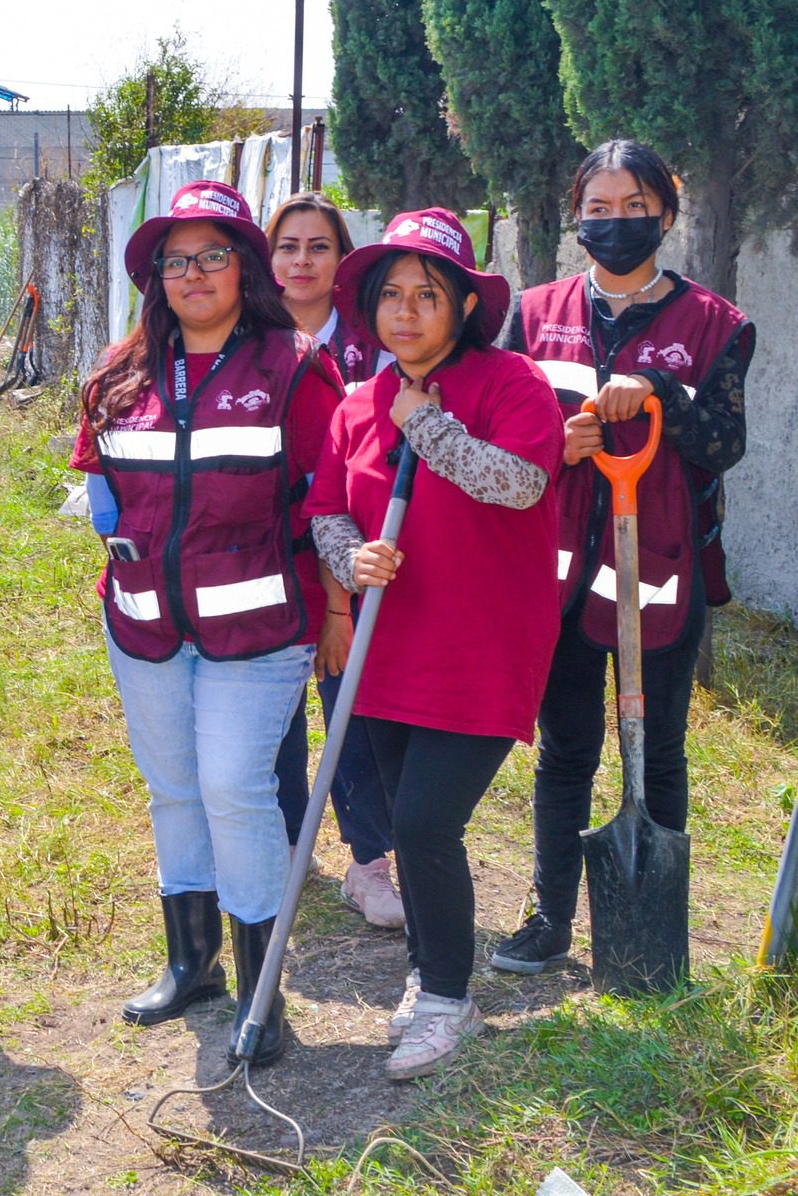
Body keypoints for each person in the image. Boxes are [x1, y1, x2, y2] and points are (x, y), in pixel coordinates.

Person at [72, 181, 343, 1065]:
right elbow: (99, 473)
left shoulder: (294, 365)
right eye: (175, 260)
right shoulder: (118, 373)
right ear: (156, 276)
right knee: (175, 787)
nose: (192, 273)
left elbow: (328, 494)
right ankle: (192, 963)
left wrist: (336, 607)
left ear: (245, 266)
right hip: (145, 624)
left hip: (258, 629)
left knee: (234, 785)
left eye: (212, 255)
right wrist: (112, 523)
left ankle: (264, 991)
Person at [307, 208, 564, 1079]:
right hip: (388, 645)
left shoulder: (511, 381)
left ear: (462, 305)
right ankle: (428, 970)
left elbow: (520, 483)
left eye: (428, 295)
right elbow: (326, 510)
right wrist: (352, 554)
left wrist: (427, 423)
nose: (406, 313)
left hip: (482, 649)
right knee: (403, 824)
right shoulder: (355, 403)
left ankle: (449, 998)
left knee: (424, 822)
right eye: (390, 297)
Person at [491, 141, 755, 975]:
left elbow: (725, 442)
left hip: (661, 562)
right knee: (565, 747)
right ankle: (550, 915)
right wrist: (553, 441)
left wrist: (662, 397)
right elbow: (502, 426)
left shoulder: (714, 324)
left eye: (633, 207)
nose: (614, 224)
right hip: (562, 567)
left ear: (666, 214)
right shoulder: (534, 314)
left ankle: (653, 922)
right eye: (597, 209)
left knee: (660, 747)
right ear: (577, 216)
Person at [264, 193, 403, 931]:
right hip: (272, 549)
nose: (303, 261)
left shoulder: (374, 339)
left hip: (351, 545)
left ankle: (370, 859)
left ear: (342, 259)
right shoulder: (247, 334)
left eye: (320, 246)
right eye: (289, 245)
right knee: (276, 702)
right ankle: (288, 840)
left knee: (352, 703)